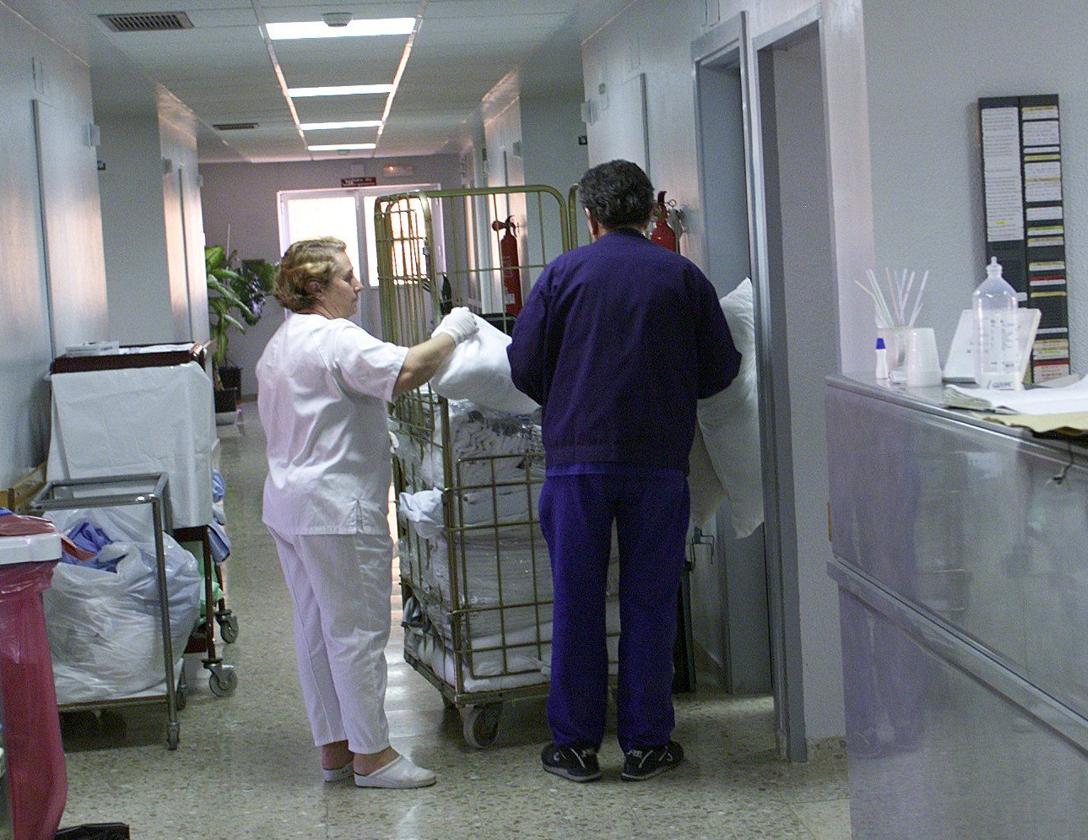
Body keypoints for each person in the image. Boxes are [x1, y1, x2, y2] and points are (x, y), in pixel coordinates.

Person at [507, 160, 742, 782]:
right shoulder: (683, 278)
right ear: (649, 214)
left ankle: (576, 746)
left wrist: (570, 395)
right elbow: (721, 371)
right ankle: (646, 744)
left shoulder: (561, 276)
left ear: (590, 216)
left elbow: (525, 366)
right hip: (658, 464)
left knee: (578, 602)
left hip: (576, 464)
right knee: (650, 602)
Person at [256, 237, 477, 789]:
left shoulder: (279, 345)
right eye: (347, 277)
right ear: (315, 287)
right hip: (337, 508)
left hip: (290, 506)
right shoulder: (334, 338)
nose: (357, 285)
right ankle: (373, 756)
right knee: (355, 631)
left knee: (316, 630)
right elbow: (405, 371)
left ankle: (335, 749)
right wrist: (455, 329)